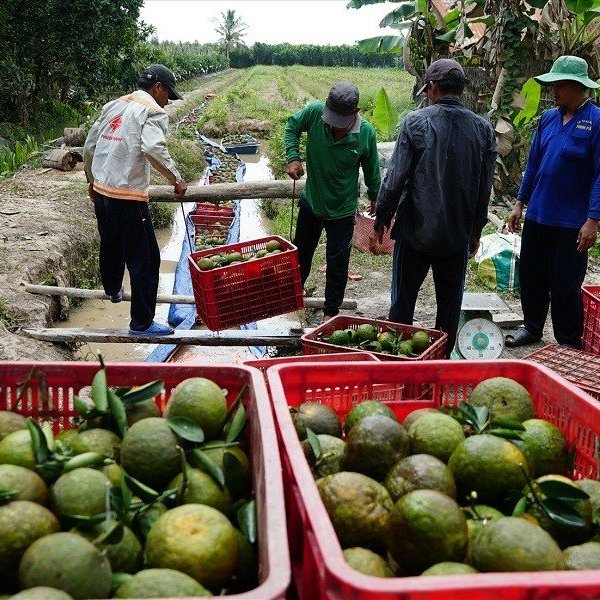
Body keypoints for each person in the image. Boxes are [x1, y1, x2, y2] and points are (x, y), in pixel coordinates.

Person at [374, 59, 497, 357]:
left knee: (403, 303)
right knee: (448, 309)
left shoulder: (416, 122)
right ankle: (439, 364)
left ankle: (397, 362)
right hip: (456, 235)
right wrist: (475, 231)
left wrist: (382, 219)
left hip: (415, 232)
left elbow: (395, 178)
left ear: (433, 88)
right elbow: (484, 188)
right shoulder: (483, 129)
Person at [83, 64, 187, 336]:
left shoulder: (114, 104)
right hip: (128, 196)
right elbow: (153, 148)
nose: (168, 101)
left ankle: (113, 288)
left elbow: (90, 146)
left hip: (103, 190)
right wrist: (176, 179)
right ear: (158, 88)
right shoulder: (152, 110)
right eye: (168, 95)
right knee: (147, 259)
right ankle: (141, 323)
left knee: (111, 242)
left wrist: (91, 181)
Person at [505, 56, 600, 349]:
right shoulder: (548, 119)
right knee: (531, 277)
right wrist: (520, 203)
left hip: (572, 222)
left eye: (559, 84)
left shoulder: (596, 121)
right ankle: (532, 328)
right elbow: (533, 165)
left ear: (577, 86)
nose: (554, 89)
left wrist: (592, 220)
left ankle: (567, 341)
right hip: (538, 215)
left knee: (565, 285)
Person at [284, 81, 381, 320]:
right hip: (312, 203)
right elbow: (291, 127)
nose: (335, 127)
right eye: (332, 119)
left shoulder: (365, 133)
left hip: (342, 211)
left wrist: (376, 198)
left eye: (341, 122)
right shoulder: (314, 113)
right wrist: (293, 157)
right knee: (300, 256)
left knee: (338, 264)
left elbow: (372, 171)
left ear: (355, 112)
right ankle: (293, 300)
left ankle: (330, 313)